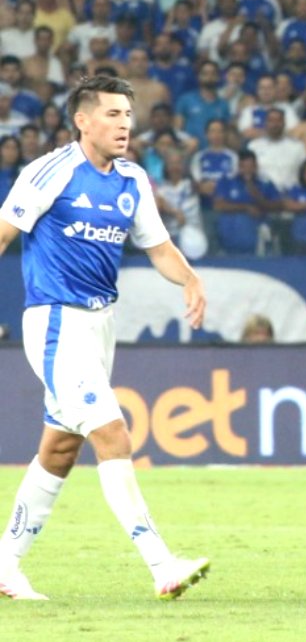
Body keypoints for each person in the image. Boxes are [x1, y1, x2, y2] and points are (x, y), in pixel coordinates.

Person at [0, 76, 209, 601]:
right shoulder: (50, 171)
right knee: (112, 433)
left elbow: (157, 246)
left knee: (61, 447)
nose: (124, 125)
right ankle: (162, 564)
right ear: (83, 120)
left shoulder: (133, 180)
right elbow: (2, 233)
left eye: (128, 116)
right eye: (113, 114)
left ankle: (4, 566)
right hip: (54, 322)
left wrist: (190, 278)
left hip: (100, 327)